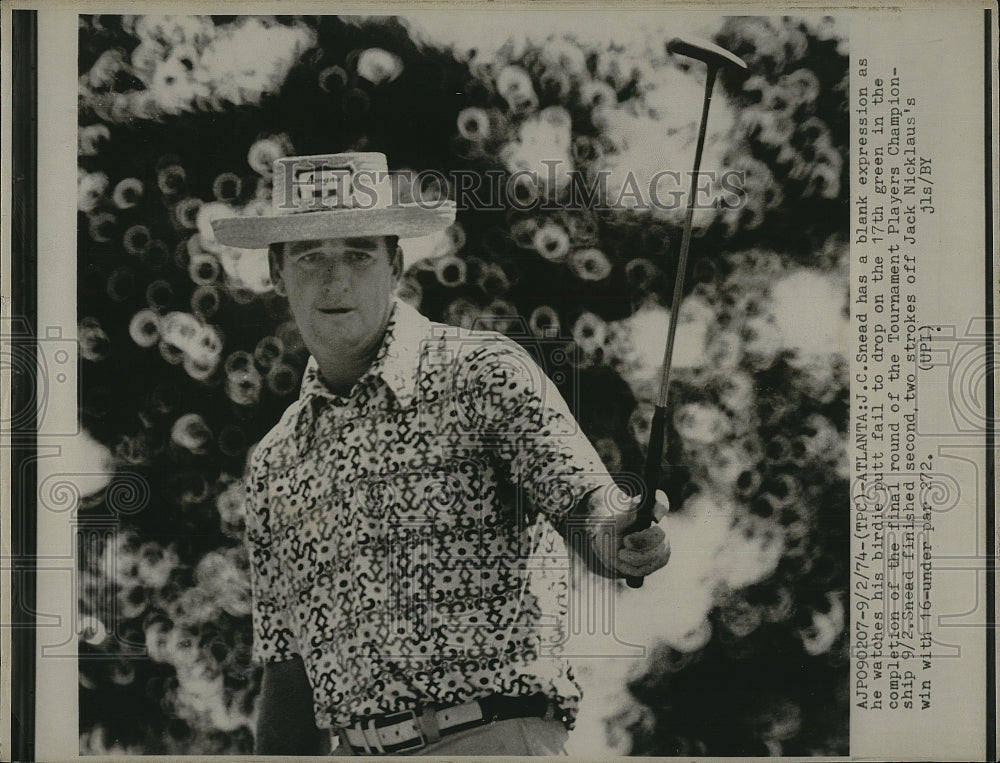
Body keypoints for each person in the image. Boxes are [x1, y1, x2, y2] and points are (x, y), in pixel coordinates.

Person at [214, 152, 671, 756]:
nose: (336, 280)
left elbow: (584, 502)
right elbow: (287, 666)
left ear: (395, 263)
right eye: (309, 256)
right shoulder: (276, 463)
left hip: (491, 738)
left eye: (358, 253)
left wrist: (620, 535)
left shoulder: (483, 372)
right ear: (277, 271)